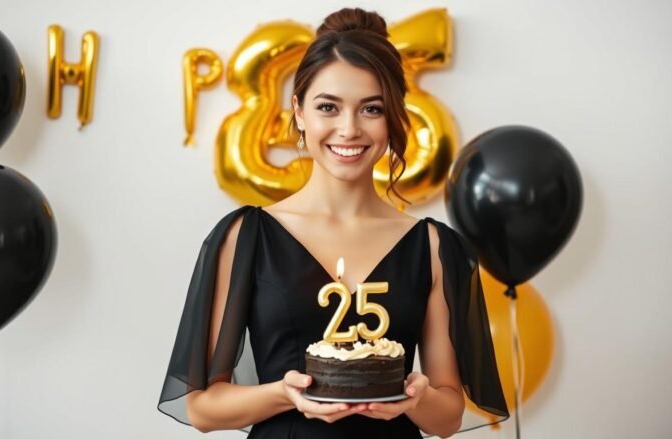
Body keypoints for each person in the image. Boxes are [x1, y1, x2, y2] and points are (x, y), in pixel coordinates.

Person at [158, 7, 508, 438]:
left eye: (371, 109)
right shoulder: (245, 236)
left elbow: (448, 417)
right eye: (328, 107)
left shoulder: (433, 247)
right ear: (299, 111)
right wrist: (285, 394)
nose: (348, 129)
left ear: (394, 116)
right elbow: (202, 408)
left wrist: (417, 398)